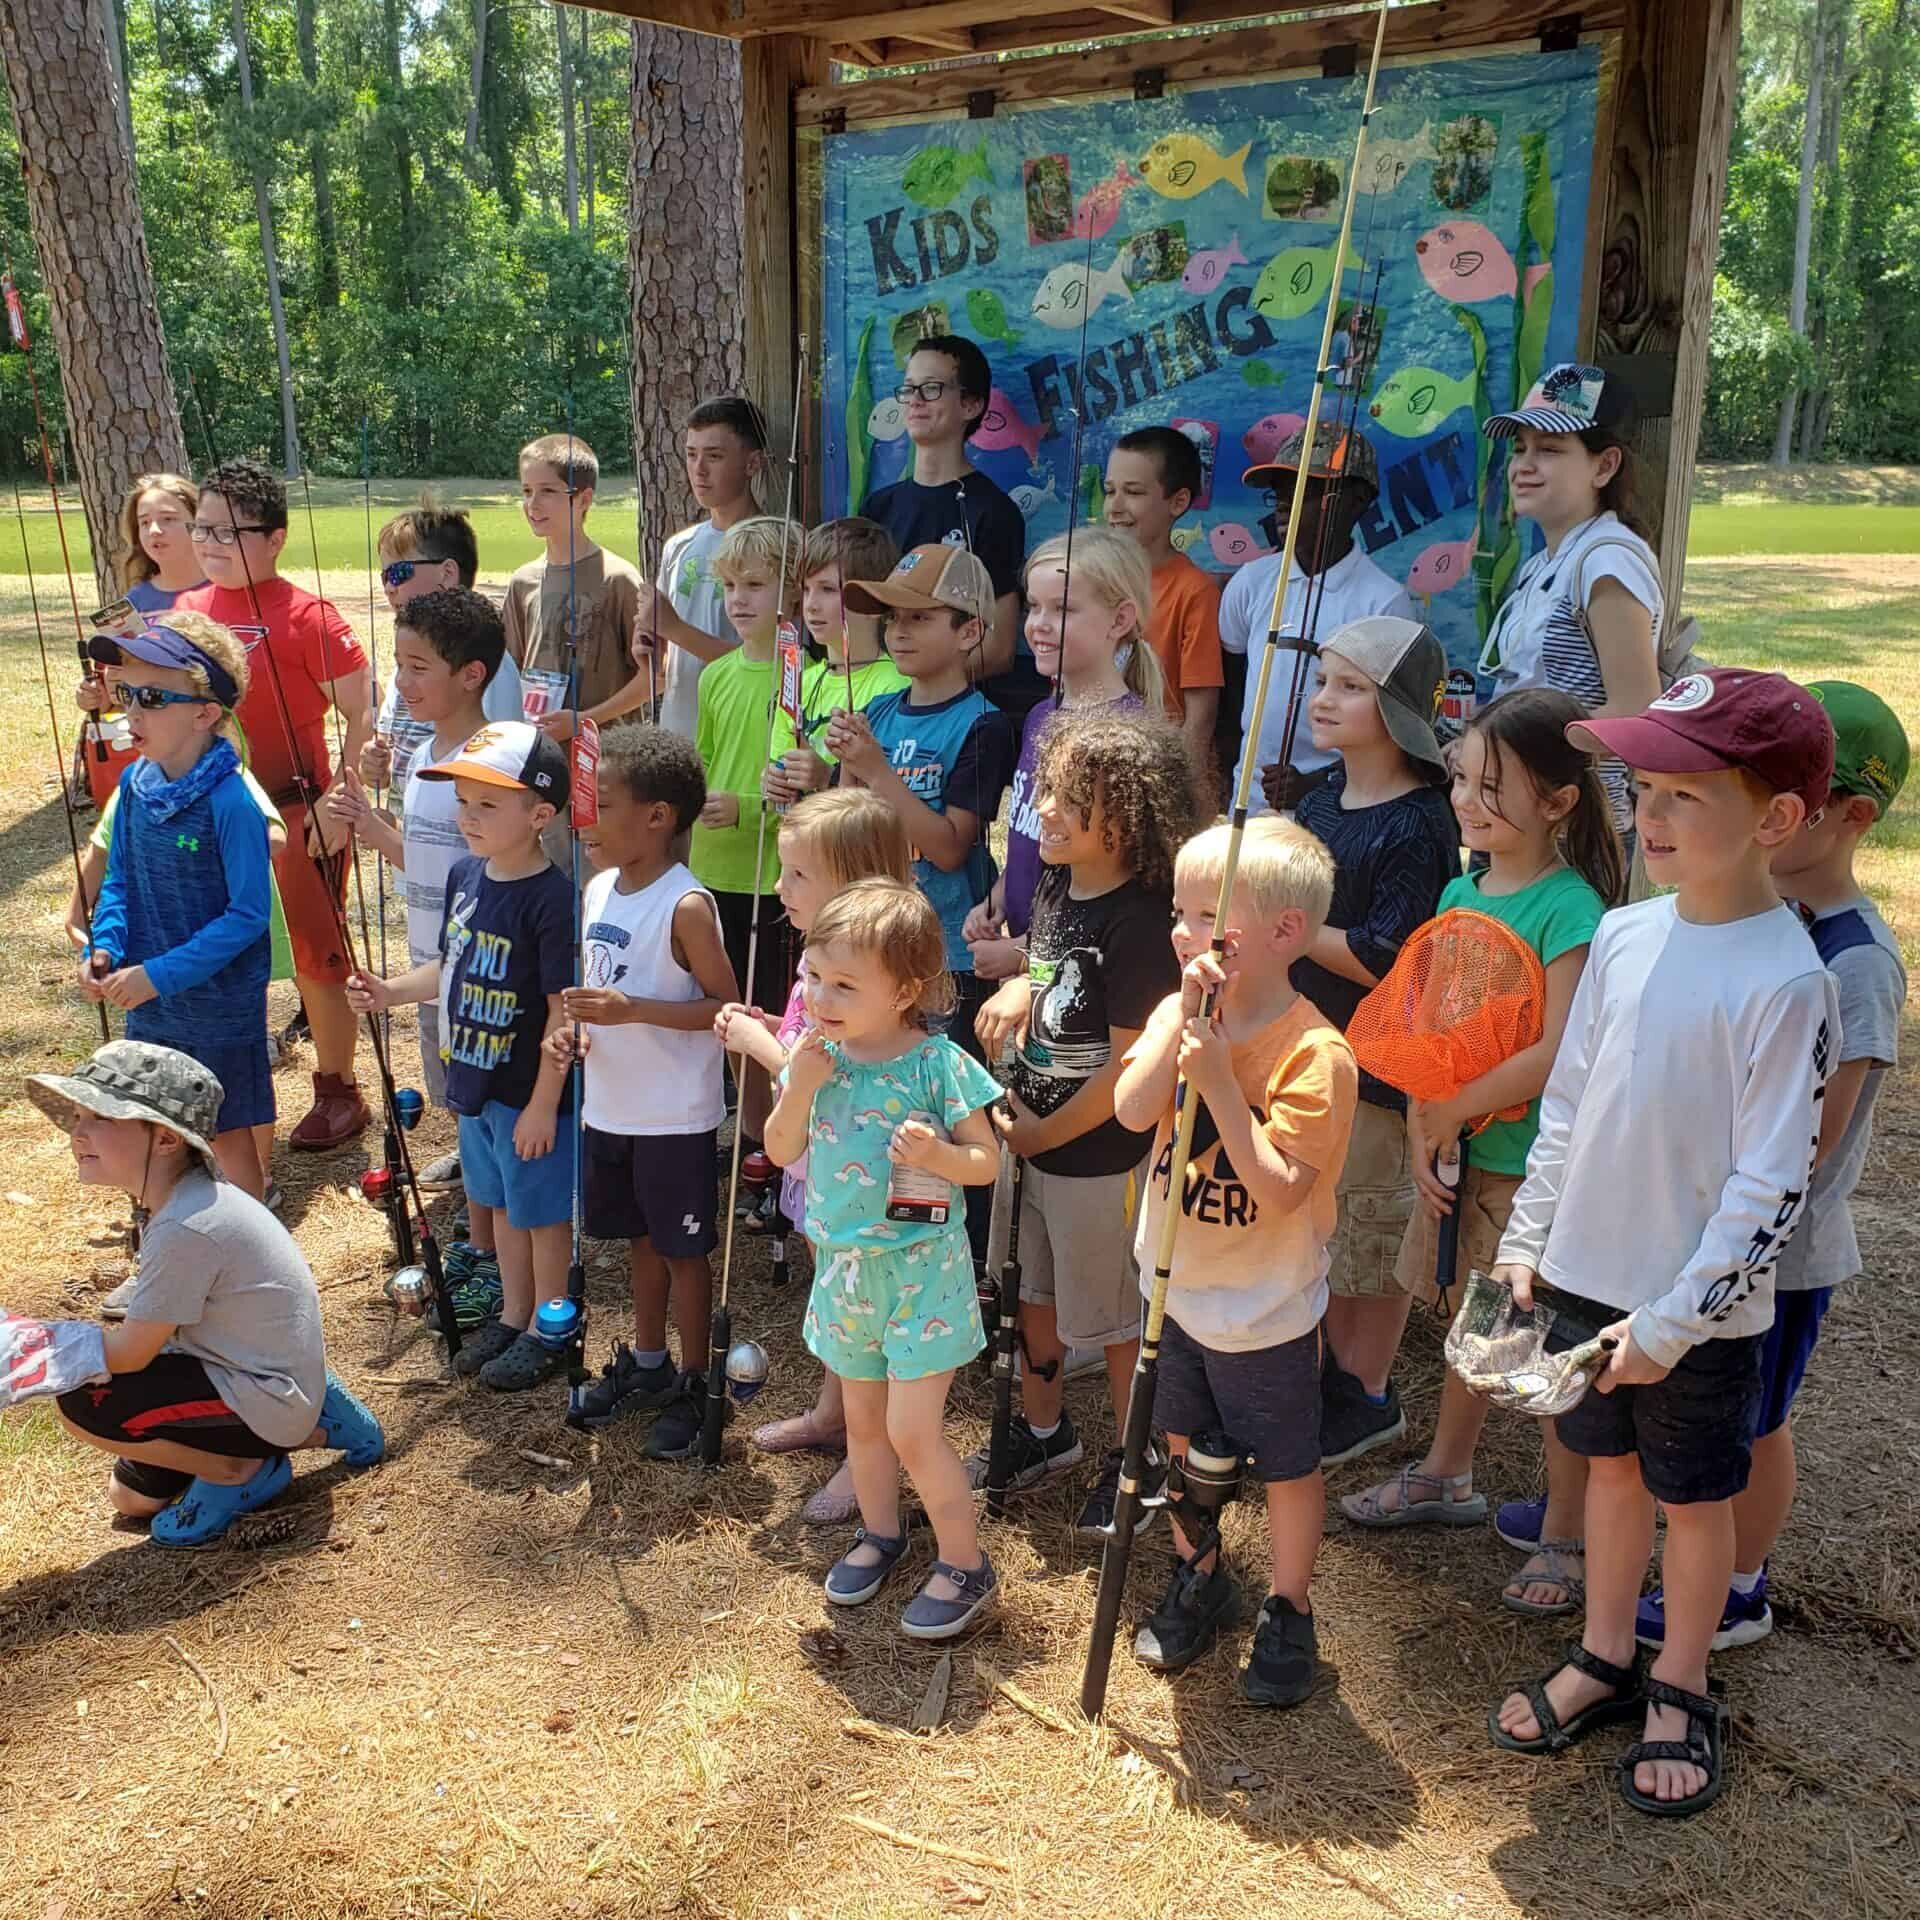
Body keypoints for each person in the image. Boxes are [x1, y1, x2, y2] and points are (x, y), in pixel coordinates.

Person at [1489, 668, 1838, 1820]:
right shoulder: (1629, 936)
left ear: (1776, 820)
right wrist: (1528, 1240)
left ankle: (1680, 1681)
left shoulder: (1790, 979)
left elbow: (1770, 1183)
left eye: (1687, 796)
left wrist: (1676, 1323)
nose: (1651, 817)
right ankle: (1602, 1653)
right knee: (1608, 1474)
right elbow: (1571, 1105)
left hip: (1694, 1315)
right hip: (1584, 1282)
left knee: (1695, 1500)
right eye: (1644, 789)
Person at [1634, 682, 1909, 1654]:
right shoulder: (1765, 915)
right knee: (1705, 1415)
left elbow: (1812, 1139)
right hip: (1708, 1229)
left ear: (1849, 816)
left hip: (1778, 1252)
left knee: (1756, 1419)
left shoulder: (1856, 959)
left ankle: (1741, 1586)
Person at [1340, 690, 1621, 1622]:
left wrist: (1457, 1110)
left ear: (1559, 803)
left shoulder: (1571, 909)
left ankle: (1567, 1533)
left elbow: (1556, 1051)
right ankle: (1446, 1476)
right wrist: (1428, 1122)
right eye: (1461, 777)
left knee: (1539, 1352)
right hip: (1457, 1154)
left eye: (1493, 786)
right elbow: (1430, 1025)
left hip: (1526, 1173)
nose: (1467, 799)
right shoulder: (1462, 889)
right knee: (1468, 1319)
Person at [1113, 817, 1358, 1705]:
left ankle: (1289, 1608)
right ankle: (1200, 1568)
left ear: (1284, 932)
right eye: (1177, 915)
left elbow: (1282, 1188)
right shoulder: (1181, 1010)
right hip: (1172, 1290)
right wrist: (1180, 1021)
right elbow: (1134, 1112)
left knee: (1285, 1468)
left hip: (1265, 1306)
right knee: (1187, 1451)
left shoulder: (1316, 1054)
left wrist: (1218, 1081)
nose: (1181, 935)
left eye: (1203, 919)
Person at [763, 879, 1004, 1639]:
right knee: (863, 1424)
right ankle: (882, 1533)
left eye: (843, 983)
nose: (821, 997)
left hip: (923, 1277)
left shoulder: (938, 1066)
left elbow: (986, 1163)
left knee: (912, 1431)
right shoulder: (817, 1059)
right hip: (845, 1275)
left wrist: (938, 1151)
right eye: (813, 977)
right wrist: (796, 1089)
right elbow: (779, 1150)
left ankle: (965, 1563)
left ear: (904, 990)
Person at [972, 709, 1194, 1534]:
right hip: (1030, 1140)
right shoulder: (1061, 883)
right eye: (1045, 790)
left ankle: (1142, 1464)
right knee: (1031, 1291)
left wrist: (1039, 1136)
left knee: (1112, 1320)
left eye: (1071, 798)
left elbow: (1125, 1073)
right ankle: (1042, 1431)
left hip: (1095, 1157)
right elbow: (1045, 969)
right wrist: (1019, 987)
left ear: (1130, 815)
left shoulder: (1141, 922)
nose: (1045, 811)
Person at [31, 1039, 384, 1547]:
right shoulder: (186, 1200)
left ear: (167, 1140)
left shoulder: (186, 1227)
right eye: (78, 1116)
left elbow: (130, 1354)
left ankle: (240, 1467)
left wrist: (33, 1353)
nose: (76, 1132)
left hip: (260, 1387)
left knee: (82, 1400)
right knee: (129, 1499)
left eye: (100, 1118)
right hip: (250, 1366)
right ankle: (317, 1411)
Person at [346, 722, 578, 1392]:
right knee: (499, 1206)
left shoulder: (552, 900)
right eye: (464, 802)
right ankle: (512, 1313)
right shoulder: (465, 876)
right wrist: (389, 991)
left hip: (525, 1095)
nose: (467, 817)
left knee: (541, 1216)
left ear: (540, 815)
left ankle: (548, 1326)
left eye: (487, 805)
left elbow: (561, 1012)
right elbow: (446, 967)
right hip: (471, 1085)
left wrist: (542, 1103)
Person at [1290, 616, 1459, 1466]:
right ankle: (1328, 1379)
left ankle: (1367, 1392)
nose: (1324, 699)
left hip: (1382, 1066)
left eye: (1351, 686)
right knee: (1323, 1225)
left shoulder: (1422, 823)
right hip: (1305, 1053)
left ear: (1398, 710)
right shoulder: (1317, 798)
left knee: (1368, 1232)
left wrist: (1290, 925)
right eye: (1323, 679)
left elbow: (1391, 957)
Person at [721, 789, 914, 1525]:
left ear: (854, 881)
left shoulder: (866, 968)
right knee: (838, 1303)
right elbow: (808, 1039)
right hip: (819, 1175)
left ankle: (873, 1460)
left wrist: (756, 1043)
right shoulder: (823, 958)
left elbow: (824, 1073)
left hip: (857, 1177)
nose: (779, 887)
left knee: (871, 1319)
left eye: (798, 874)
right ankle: (836, 1419)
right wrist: (772, 1023)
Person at [327, 589, 517, 1331]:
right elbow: (429, 865)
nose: (401, 683)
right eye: (398, 665)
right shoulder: (423, 756)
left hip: (474, 971)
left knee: (488, 1111)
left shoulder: (491, 759)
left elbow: (493, 869)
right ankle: (478, 1241)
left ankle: (501, 1257)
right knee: (460, 1108)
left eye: (417, 667)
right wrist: (373, 828)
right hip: (428, 964)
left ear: (470, 674)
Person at [552, 727, 741, 1459]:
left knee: (682, 1251)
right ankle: (650, 1359)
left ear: (659, 817)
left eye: (603, 803)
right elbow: (601, 991)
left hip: (674, 1115)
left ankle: (697, 1379)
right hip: (612, 1107)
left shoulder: (686, 905)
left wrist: (633, 1013)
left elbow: (726, 1011)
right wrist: (578, 1033)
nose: (587, 815)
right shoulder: (599, 885)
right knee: (639, 1240)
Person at [176, 458, 375, 1152]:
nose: (210, 544)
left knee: (319, 957)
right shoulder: (186, 613)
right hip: (207, 814)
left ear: (277, 537)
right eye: (202, 529)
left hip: (297, 815)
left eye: (230, 532)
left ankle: (338, 1087)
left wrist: (337, 799)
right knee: (217, 952)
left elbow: (362, 710)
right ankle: (222, 1087)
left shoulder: (308, 616)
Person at [76, 616, 274, 1202]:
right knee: (154, 1129)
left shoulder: (231, 801)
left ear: (205, 713)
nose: (131, 712)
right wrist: (105, 946)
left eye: (152, 697)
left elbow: (248, 915)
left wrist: (158, 975)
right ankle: (167, 1247)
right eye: (124, 694)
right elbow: (119, 881)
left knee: (228, 1137)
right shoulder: (134, 786)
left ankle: (246, 1250)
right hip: (148, 999)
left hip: (216, 1012)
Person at [830, 544, 1017, 1086]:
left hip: (947, 952)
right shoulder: (879, 712)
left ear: (970, 631)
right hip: (874, 941)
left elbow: (950, 846)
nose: (899, 632)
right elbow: (850, 826)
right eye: (893, 618)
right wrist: (848, 767)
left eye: (920, 618)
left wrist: (877, 769)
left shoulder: (983, 725)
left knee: (939, 1094)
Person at [962, 528, 1168, 986]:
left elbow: (1118, 896)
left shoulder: (1128, 737)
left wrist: (1021, 953)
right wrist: (998, 899)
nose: (1038, 623)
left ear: (1120, 620)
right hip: (1030, 964)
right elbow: (1029, 833)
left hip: (1079, 980)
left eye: (1063, 609)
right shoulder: (1038, 715)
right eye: (1034, 606)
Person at [1479, 363, 1666, 846]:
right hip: (1516, 821)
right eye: (1519, 448)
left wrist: (1519, 751)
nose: (1524, 464)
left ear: (1604, 466)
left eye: (1550, 450)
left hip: (1573, 831)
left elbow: (1636, 709)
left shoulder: (1607, 560)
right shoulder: (1542, 562)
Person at [1217, 428, 1412, 813]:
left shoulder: (1385, 602)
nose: (1283, 506)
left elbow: (1395, 731)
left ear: (1358, 502)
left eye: (1305, 490)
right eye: (1279, 492)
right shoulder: (1251, 582)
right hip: (1248, 806)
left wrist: (1317, 782)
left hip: (1340, 810)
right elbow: (1230, 689)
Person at [691, 515, 807, 1163]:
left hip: (776, 879)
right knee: (729, 1011)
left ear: (792, 590)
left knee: (774, 1014)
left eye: (756, 584)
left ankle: (776, 1140)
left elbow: (804, 784)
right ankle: (752, 1133)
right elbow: (707, 763)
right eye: (730, 585)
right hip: (716, 871)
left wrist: (747, 808)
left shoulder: (803, 676)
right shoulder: (716, 674)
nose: (738, 600)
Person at [501, 434, 652, 874]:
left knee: (599, 883)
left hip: (604, 767)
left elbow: (651, 681)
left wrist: (584, 720)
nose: (534, 504)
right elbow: (509, 674)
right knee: (547, 879)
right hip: (542, 765)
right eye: (526, 492)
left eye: (548, 491)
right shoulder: (522, 582)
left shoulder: (619, 579)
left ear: (583, 498)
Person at [860, 333, 1027, 691]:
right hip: (872, 710)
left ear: (970, 405)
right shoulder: (878, 507)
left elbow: (998, 650)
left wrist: (913, 688)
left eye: (932, 388)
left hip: (947, 718)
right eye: (908, 389)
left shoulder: (994, 512)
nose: (915, 401)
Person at [360, 503, 526, 797]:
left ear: (447, 573)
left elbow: (505, 766)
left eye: (398, 573)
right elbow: (396, 756)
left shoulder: (491, 666)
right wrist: (379, 768)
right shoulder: (409, 661)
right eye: (384, 577)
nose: (389, 587)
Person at [1103, 426, 1225, 776]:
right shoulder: (1090, 581)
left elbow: (1199, 718)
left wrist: (1176, 793)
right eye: (1110, 491)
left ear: (1179, 502)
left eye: (1134, 492)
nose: (1116, 506)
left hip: (1155, 774)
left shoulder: (1194, 590)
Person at [644, 396, 767, 741]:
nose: (698, 469)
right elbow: (665, 664)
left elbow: (774, 661)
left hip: (741, 736)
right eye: (691, 453)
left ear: (752, 463)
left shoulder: (777, 544)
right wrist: (650, 651)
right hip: (679, 734)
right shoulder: (679, 546)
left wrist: (676, 629)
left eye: (714, 456)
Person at [765, 517, 907, 800]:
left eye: (828, 589)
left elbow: (892, 793)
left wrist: (825, 778)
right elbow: (781, 767)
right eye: (806, 589)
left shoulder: (897, 685)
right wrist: (775, 782)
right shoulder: (799, 682)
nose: (811, 604)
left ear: (871, 599)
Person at [116, 472, 206, 613]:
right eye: (145, 522)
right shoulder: (134, 604)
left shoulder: (230, 588)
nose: (154, 530)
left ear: (199, 522)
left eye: (168, 519)